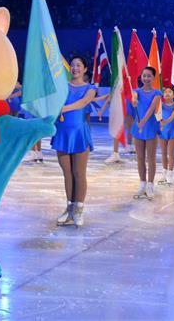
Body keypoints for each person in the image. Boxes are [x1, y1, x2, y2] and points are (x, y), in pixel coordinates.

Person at [53, 57, 97, 227]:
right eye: (72, 65)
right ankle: (69, 208)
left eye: (79, 65)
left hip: (79, 133)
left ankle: (79, 209)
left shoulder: (90, 88)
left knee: (79, 173)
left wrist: (65, 108)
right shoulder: (62, 86)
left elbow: (84, 102)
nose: (75, 68)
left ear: (85, 69)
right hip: (63, 132)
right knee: (67, 172)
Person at [131, 67, 161, 200]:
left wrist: (142, 121)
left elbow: (151, 109)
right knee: (140, 158)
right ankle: (142, 184)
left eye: (149, 76)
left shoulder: (157, 93)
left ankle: (150, 185)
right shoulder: (136, 91)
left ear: (153, 77)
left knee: (151, 158)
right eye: (144, 76)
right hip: (138, 127)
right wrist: (134, 100)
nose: (146, 78)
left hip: (150, 126)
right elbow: (134, 97)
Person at [156, 86, 174, 186]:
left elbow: (172, 117)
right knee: (163, 153)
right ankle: (164, 172)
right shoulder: (160, 106)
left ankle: (170, 173)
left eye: (170, 92)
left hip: (172, 132)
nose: (167, 94)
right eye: (165, 92)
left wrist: (163, 122)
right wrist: (159, 122)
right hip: (162, 132)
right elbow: (156, 115)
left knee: (171, 153)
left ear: (173, 95)